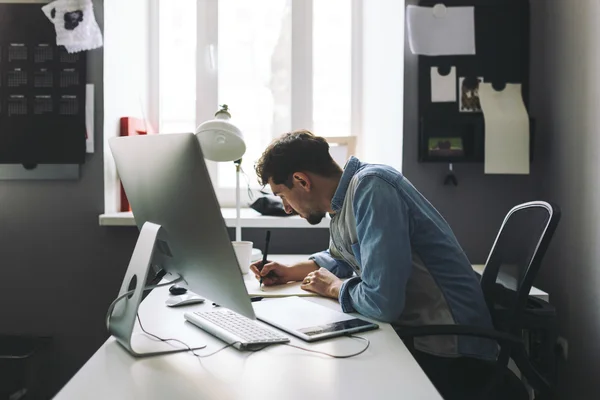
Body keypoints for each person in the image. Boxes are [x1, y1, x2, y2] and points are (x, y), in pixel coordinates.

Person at [250, 130, 499, 399]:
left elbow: (383, 303)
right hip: (418, 336)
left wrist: (335, 288)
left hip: (451, 350)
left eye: (282, 195)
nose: (286, 208)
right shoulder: (343, 202)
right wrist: (292, 271)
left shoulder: (372, 188)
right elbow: (345, 256)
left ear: (301, 180)